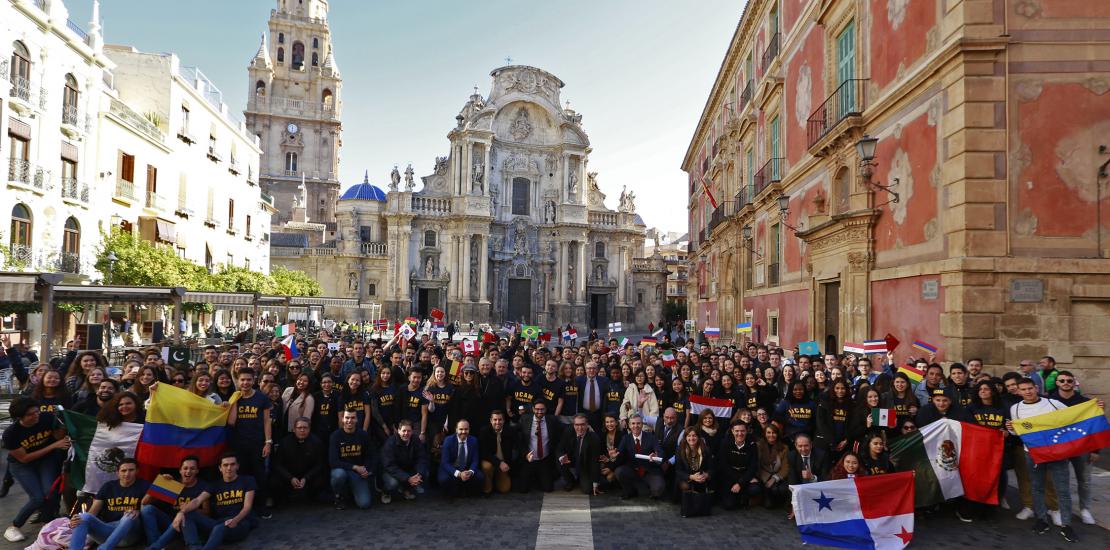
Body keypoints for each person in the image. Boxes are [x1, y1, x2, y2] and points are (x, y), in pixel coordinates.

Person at [1006, 378, 1076, 542]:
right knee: (1037, 487)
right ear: (1018, 391)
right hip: (1032, 453)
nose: (1027, 392)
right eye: (1023, 389)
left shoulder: (1053, 403)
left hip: (1056, 452)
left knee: (1062, 489)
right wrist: (1012, 430)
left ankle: (1067, 525)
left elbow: (1073, 417)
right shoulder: (1015, 408)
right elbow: (1019, 432)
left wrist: (1096, 409)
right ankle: (1041, 520)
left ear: (1036, 388)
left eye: (1030, 388)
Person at [2, 397, 69, 542]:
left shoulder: (46, 417)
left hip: (46, 460)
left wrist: (62, 426)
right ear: (19, 417)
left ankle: (48, 522)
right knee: (37, 497)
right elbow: (24, 458)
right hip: (22, 465)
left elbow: (58, 436)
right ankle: (14, 525)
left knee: (50, 492)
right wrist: (54, 445)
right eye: (31, 414)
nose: (36, 415)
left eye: (37, 411)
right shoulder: (10, 434)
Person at [1048, 370, 1102, 525]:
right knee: (1058, 480)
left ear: (1074, 382)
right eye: (1062, 380)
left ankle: (1085, 509)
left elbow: (1095, 425)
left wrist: (1095, 450)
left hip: (1082, 447)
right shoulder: (1048, 401)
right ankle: (1057, 508)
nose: (1066, 383)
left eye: (1069, 380)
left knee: (1084, 480)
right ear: (1057, 383)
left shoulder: (1087, 403)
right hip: (1058, 447)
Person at [183, 452, 259, 550]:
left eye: (232, 464)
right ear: (220, 468)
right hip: (218, 523)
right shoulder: (214, 485)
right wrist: (182, 512)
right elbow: (198, 500)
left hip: (240, 523)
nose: (229, 468)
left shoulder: (247, 480)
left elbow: (247, 507)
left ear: (237, 466)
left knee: (220, 528)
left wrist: (235, 520)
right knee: (187, 515)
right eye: (225, 465)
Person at [68, 458, 149, 550]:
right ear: (117, 473)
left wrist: (138, 511)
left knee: (129, 515)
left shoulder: (144, 485)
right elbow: (92, 513)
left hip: (129, 534)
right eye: (123, 470)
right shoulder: (108, 486)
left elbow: (148, 509)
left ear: (137, 471)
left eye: (131, 470)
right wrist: (79, 520)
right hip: (108, 529)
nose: (127, 474)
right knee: (84, 517)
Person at [226, 368, 273, 519]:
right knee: (242, 476)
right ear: (238, 381)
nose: (245, 383)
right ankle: (245, 508)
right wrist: (233, 402)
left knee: (260, 476)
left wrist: (268, 442)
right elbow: (231, 422)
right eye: (242, 380)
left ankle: (262, 506)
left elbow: (267, 421)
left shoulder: (261, 398)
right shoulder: (235, 397)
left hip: (257, 444)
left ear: (254, 381)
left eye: (248, 380)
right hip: (239, 445)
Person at [140, 456, 210, 550]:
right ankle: (155, 544)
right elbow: (144, 502)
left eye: (192, 468)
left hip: (190, 524)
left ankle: (154, 547)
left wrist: (188, 509)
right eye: (185, 468)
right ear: (180, 470)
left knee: (186, 514)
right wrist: (159, 484)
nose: (188, 471)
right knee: (147, 509)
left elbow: (207, 512)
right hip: (169, 523)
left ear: (197, 470)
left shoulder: (203, 486)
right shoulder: (173, 484)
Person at [271, 417, 326, 507]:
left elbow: (320, 465)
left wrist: (306, 478)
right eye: (299, 428)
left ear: (309, 429)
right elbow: (277, 464)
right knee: (274, 481)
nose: (302, 430)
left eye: (305, 428)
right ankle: (282, 500)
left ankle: (311, 498)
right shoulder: (285, 442)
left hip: (308, 476)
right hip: (289, 476)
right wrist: (290, 478)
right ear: (294, 429)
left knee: (320, 480)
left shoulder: (317, 442)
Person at [329, 410, 374, 509]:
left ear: (357, 419)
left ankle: (351, 494)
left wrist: (366, 469)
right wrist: (354, 467)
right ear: (342, 419)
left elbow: (369, 456)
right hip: (341, 470)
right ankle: (339, 497)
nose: (350, 420)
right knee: (338, 475)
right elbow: (333, 462)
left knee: (364, 504)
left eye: (353, 417)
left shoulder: (363, 435)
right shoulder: (335, 436)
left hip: (357, 473)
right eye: (347, 418)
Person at [614, 414, 665, 500]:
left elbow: (660, 452)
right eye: (633, 423)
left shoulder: (651, 437)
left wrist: (656, 456)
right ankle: (631, 490)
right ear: (629, 425)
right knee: (619, 472)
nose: (635, 426)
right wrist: (613, 457)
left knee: (658, 490)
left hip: (649, 470)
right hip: (633, 470)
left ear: (642, 424)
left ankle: (649, 489)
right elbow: (619, 455)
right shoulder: (625, 438)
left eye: (638, 423)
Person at [515, 401, 559, 493]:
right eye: (537, 409)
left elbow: (564, 429)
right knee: (522, 489)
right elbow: (518, 440)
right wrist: (525, 454)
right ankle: (533, 477)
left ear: (546, 410)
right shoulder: (525, 419)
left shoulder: (552, 420)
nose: (540, 412)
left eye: (542, 409)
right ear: (533, 409)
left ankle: (539, 477)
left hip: (544, 459)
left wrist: (584, 427)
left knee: (548, 488)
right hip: (529, 459)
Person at [381, 420, 429, 501]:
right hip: (390, 471)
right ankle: (385, 492)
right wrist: (407, 478)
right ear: (398, 431)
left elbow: (421, 458)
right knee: (393, 483)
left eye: (409, 431)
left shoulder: (416, 440)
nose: (406, 433)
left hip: (407, 469)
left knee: (425, 473)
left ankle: (405, 489)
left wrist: (418, 474)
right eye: (404, 431)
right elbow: (389, 466)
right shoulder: (390, 443)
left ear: (412, 431)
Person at [556, 414, 602, 495]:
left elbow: (595, 461)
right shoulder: (568, 431)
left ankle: (580, 478)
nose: (580, 428)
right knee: (559, 461)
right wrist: (562, 457)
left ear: (587, 425)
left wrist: (595, 482)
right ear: (573, 425)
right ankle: (570, 481)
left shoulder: (594, 438)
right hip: (571, 460)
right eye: (577, 425)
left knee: (587, 490)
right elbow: (560, 447)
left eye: (582, 425)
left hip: (585, 465)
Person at [717, 422, 759, 510]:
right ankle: (739, 497)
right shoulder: (725, 443)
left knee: (754, 489)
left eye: (742, 431)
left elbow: (753, 466)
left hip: (745, 474)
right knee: (728, 505)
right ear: (732, 431)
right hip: (730, 475)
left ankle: (744, 496)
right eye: (737, 431)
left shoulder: (752, 444)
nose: (740, 434)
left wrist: (740, 483)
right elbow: (723, 465)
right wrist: (739, 481)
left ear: (746, 431)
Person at [438, 419, 483, 498]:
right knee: (444, 480)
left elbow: (475, 460)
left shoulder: (474, 440)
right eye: (461, 429)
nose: (463, 431)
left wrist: (471, 471)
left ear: (469, 429)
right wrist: (458, 474)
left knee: (480, 477)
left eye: (466, 429)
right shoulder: (448, 440)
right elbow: (445, 462)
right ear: (456, 430)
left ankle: (467, 490)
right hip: (451, 468)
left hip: (466, 468)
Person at [478, 410, 514, 495]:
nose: (497, 422)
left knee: (505, 489)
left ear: (504, 420)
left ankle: (498, 478)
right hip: (491, 461)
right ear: (491, 420)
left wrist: (507, 463)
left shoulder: (510, 431)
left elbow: (515, 449)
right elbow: (483, 452)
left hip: (504, 463)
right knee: (486, 467)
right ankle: (488, 486)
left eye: (500, 419)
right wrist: (499, 463)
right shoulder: (485, 431)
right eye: (495, 420)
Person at [756, 424, 790, 509]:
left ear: (777, 434)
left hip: (777, 475)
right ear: (765, 434)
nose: (771, 435)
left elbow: (785, 467)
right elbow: (756, 463)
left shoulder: (784, 448)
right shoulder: (758, 445)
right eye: (768, 432)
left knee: (779, 489)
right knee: (768, 505)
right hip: (762, 474)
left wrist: (774, 478)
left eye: (774, 433)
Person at [674, 429, 713, 494]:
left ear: (698, 437)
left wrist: (706, 475)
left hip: (701, 477)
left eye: (694, 436)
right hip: (687, 477)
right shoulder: (680, 450)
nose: (691, 438)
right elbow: (678, 470)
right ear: (685, 437)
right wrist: (691, 477)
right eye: (689, 436)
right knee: (685, 486)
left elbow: (712, 468)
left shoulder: (706, 449)